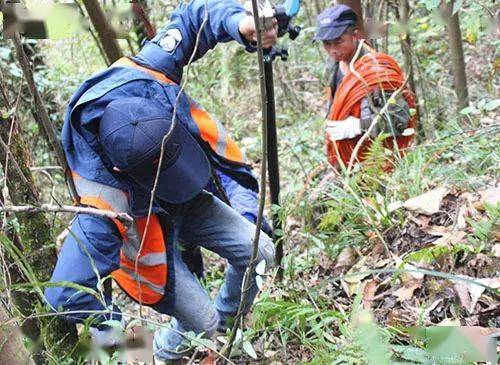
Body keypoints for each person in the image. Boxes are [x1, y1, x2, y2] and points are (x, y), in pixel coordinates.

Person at [44, 0, 277, 361]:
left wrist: (240, 22)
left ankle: (228, 327)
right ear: (124, 172)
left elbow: (193, 19)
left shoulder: (146, 79)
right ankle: (170, 354)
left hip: (190, 200)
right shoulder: (102, 206)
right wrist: (115, 332)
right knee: (203, 323)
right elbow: (64, 293)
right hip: (145, 234)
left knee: (260, 250)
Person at [315, 4, 417, 170]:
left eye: (338, 41)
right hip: (345, 159)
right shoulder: (332, 65)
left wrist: (359, 126)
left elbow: (400, 120)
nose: (332, 50)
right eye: (326, 43)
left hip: (377, 163)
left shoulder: (377, 71)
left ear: (355, 36)